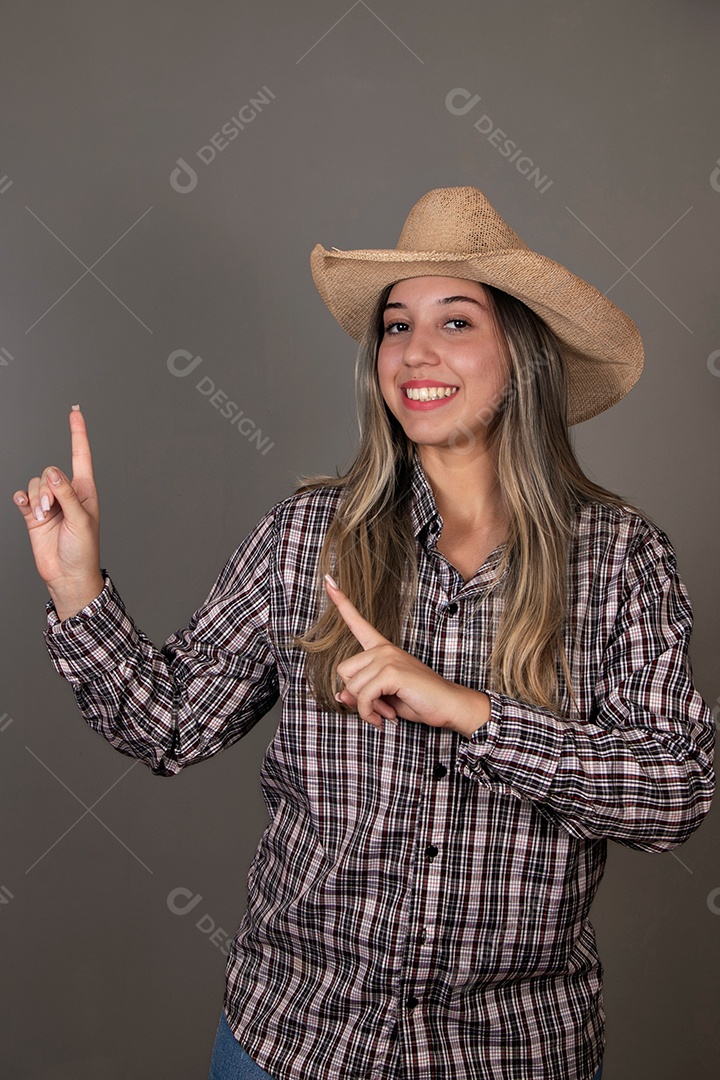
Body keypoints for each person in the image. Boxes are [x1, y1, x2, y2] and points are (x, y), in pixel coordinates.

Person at [14, 187, 714, 1080]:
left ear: (524, 355)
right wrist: (76, 584)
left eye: (455, 322)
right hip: (292, 1044)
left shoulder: (618, 556)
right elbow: (170, 724)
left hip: (508, 1055)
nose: (414, 352)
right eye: (394, 326)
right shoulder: (310, 535)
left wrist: (470, 712)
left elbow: (675, 794)